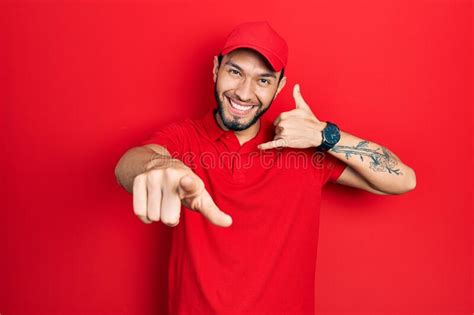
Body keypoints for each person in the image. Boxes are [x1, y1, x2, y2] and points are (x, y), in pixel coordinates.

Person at [115, 21, 416, 315]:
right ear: (216, 68)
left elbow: (403, 180)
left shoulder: (304, 148)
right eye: (235, 72)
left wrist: (325, 136)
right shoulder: (184, 139)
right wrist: (158, 165)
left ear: (279, 86)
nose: (245, 94)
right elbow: (128, 164)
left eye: (263, 80)